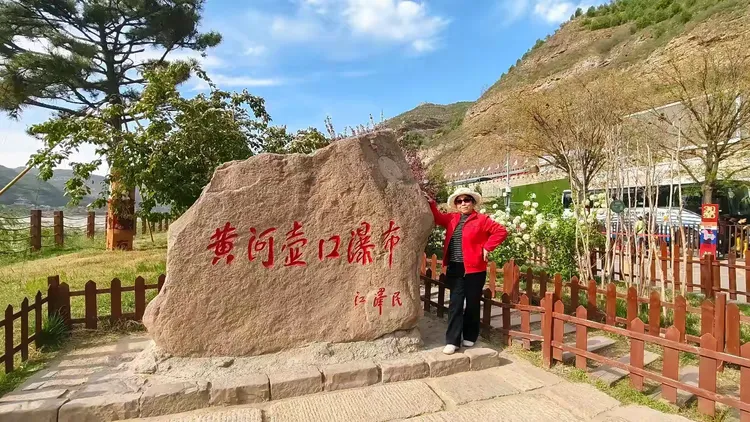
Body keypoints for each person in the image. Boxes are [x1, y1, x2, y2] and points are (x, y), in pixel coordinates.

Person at [424, 187, 508, 355]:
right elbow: (438, 218)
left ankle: (470, 335)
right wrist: (432, 203)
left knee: (472, 303)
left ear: (473, 202)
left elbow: (501, 231)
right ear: (456, 204)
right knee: (455, 304)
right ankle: (452, 340)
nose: (463, 203)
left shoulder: (482, 219)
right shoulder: (452, 218)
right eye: (459, 201)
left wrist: (488, 247)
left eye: (467, 200)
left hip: (475, 269)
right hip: (455, 267)